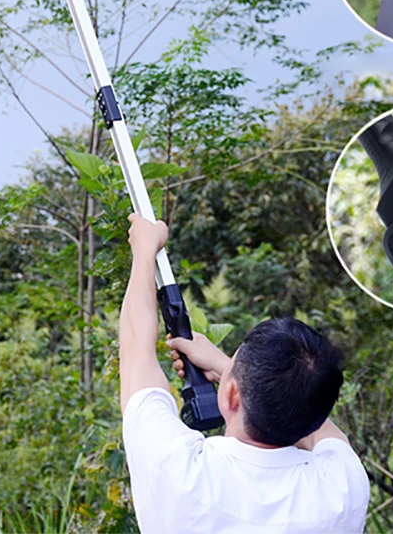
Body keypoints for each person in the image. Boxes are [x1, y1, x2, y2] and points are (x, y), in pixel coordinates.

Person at [120, 214, 370, 534]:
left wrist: (143, 251)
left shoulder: (180, 475)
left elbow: (135, 351)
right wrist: (231, 372)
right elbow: (323, 428)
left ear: (232, 395)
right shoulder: (342, 491)